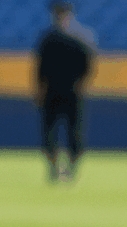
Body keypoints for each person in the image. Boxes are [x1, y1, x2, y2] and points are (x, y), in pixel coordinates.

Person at [35, 1, 96, 183]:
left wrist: (80, 84)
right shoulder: (48, 40)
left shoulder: (79, 40)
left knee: (74, 134)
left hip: (72, 93)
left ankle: (70, 168)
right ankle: (54, 168)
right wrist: (39, 90)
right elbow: (40, 69)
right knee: (49, 134)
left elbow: (87, 67)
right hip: (52, 92)